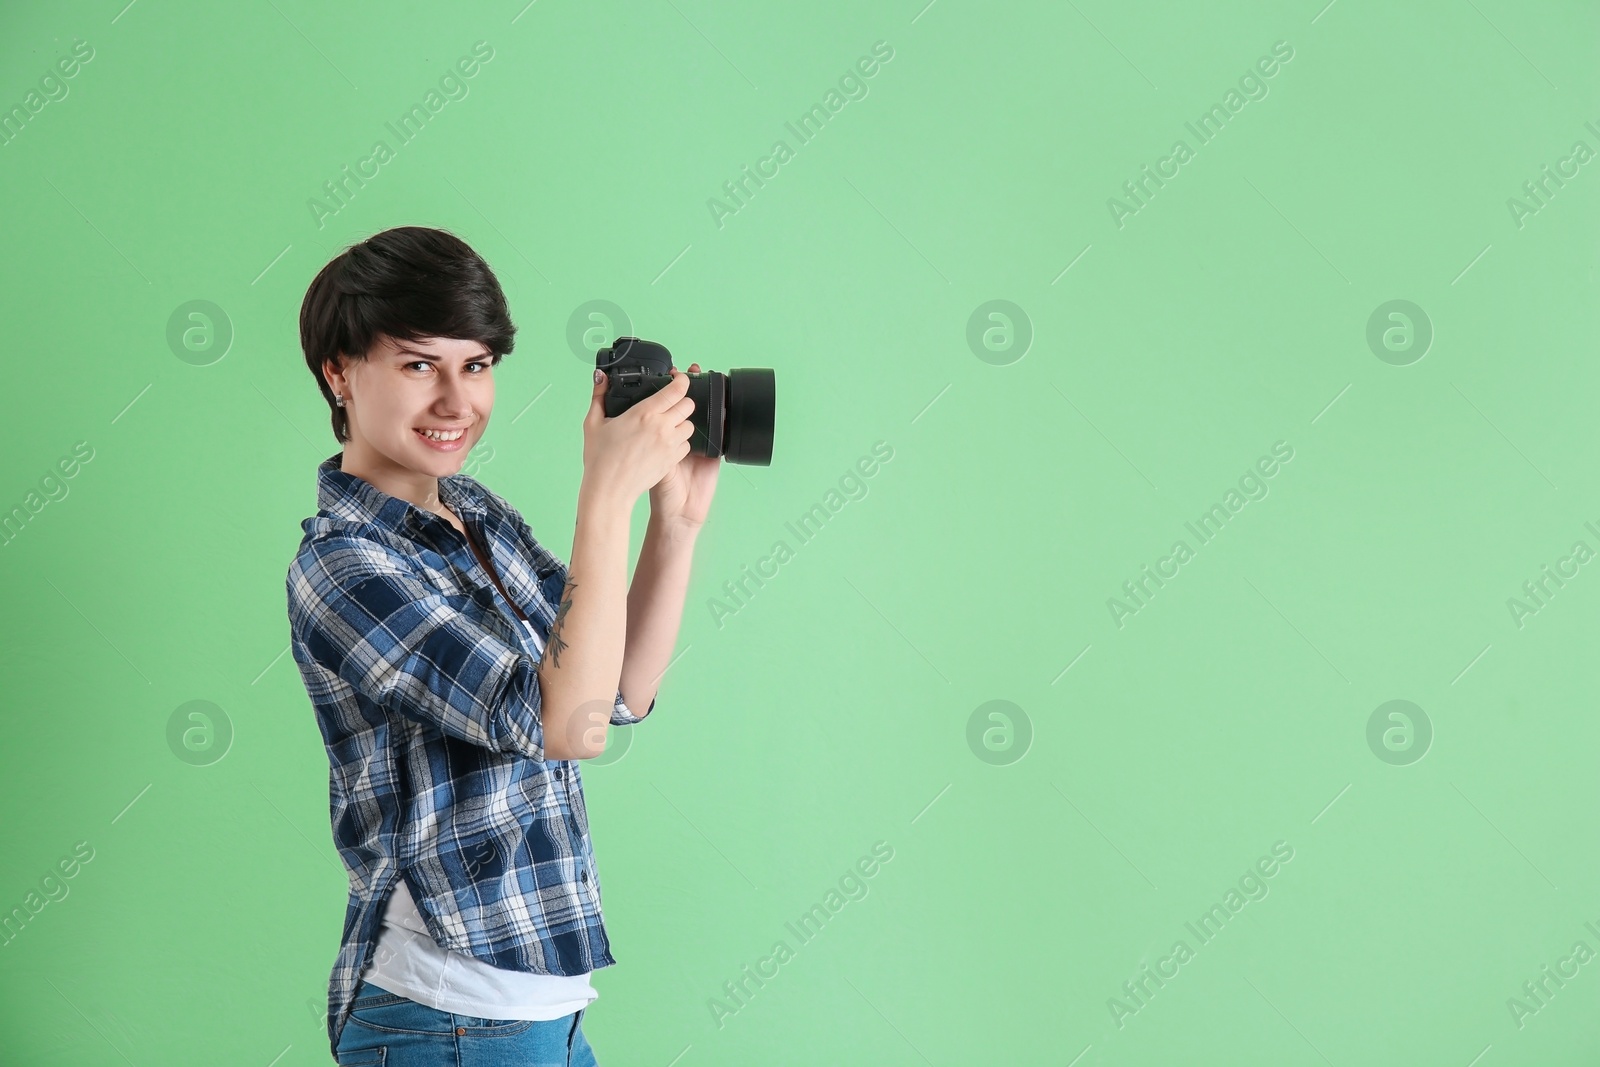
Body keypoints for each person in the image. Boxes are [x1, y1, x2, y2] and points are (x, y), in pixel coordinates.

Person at [284, 226, 718, 1065]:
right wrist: (603, 499)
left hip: (540, 1016)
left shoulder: (476, 514)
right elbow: (562, 723)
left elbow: (614, 692)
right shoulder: (338, 563)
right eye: (419, 365)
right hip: (447, 1018)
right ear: (338, 371)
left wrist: (676, 521)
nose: (456, 401)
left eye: (476, 365)